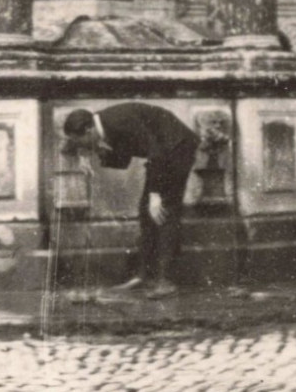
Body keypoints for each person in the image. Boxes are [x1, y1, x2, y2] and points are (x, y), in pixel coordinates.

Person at [61, 102, 199, 298]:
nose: (83, 146)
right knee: (146, 212)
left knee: (164, 213)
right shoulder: (104, 126)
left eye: (82, 141)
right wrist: (95, 153)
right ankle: (145, 276)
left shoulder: (118, 121)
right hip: (163, 154)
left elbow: (157, 152)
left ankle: (164, 281)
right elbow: (123, 160)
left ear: (89, 130)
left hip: (178, 148)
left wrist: (155, 194)